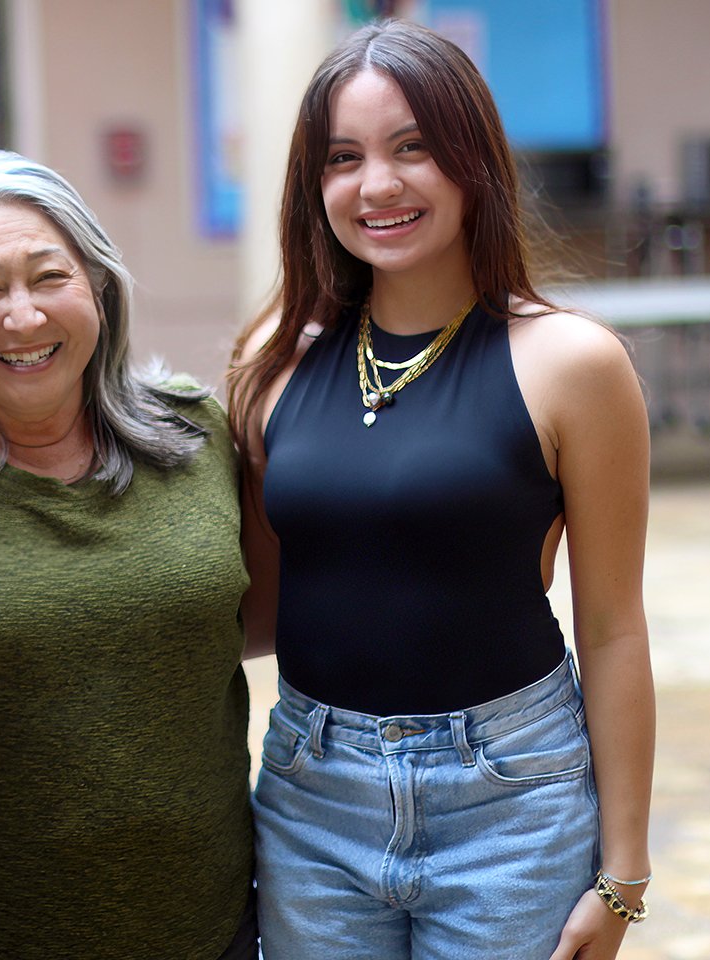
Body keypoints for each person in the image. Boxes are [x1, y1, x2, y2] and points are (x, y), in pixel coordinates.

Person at [227, 19, 654, 960]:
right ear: (315, 186)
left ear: (474, 164)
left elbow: (615, 628)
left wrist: (622, 877)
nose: (377, 184)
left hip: (510, 798)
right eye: (344, 158)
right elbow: (258, 604)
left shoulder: (572, 363)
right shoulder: (271, 367)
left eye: (412, 146)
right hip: (312, 798)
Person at [0, 146, 256, 959]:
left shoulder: (195, 432)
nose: (24, 317)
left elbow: (249, 620)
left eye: (49, 277)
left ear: (100, 289)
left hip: (221, 929)